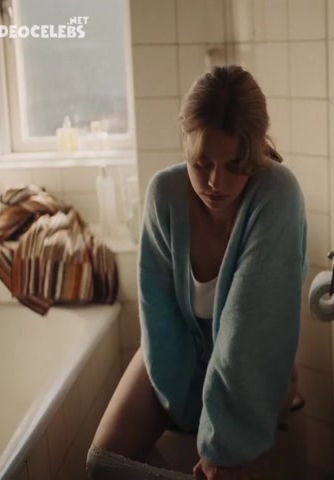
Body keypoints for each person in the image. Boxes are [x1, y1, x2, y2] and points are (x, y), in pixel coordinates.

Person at [87, 65, 308, 480]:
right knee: (103, 466)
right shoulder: (164, 195)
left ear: (256, 151)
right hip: (176, 351)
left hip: (253, 361)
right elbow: (158, 315)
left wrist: (222, 444)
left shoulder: (277, 194)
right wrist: (187, 407)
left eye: (235, 165)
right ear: (186, 142)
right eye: (202, 162)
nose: (215, 182)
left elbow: (249, 332)